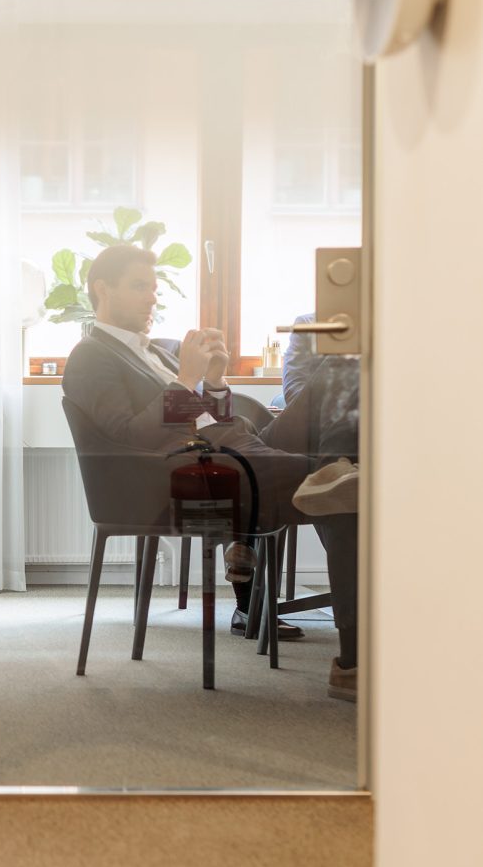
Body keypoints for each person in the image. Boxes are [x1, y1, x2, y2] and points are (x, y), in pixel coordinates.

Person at [61, 245, 358, 699]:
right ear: (102, 289)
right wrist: (184, 380)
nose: (151, 299)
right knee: (348, 496)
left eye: (154, 289)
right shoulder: (90, 357)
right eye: (140, 287)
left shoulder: (155, 352)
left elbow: (212, 416)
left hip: (239, 441)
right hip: (192, 471)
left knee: (342, 361)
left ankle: (333, 471)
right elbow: (131, 435)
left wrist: (215, 380)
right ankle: (353, 660)